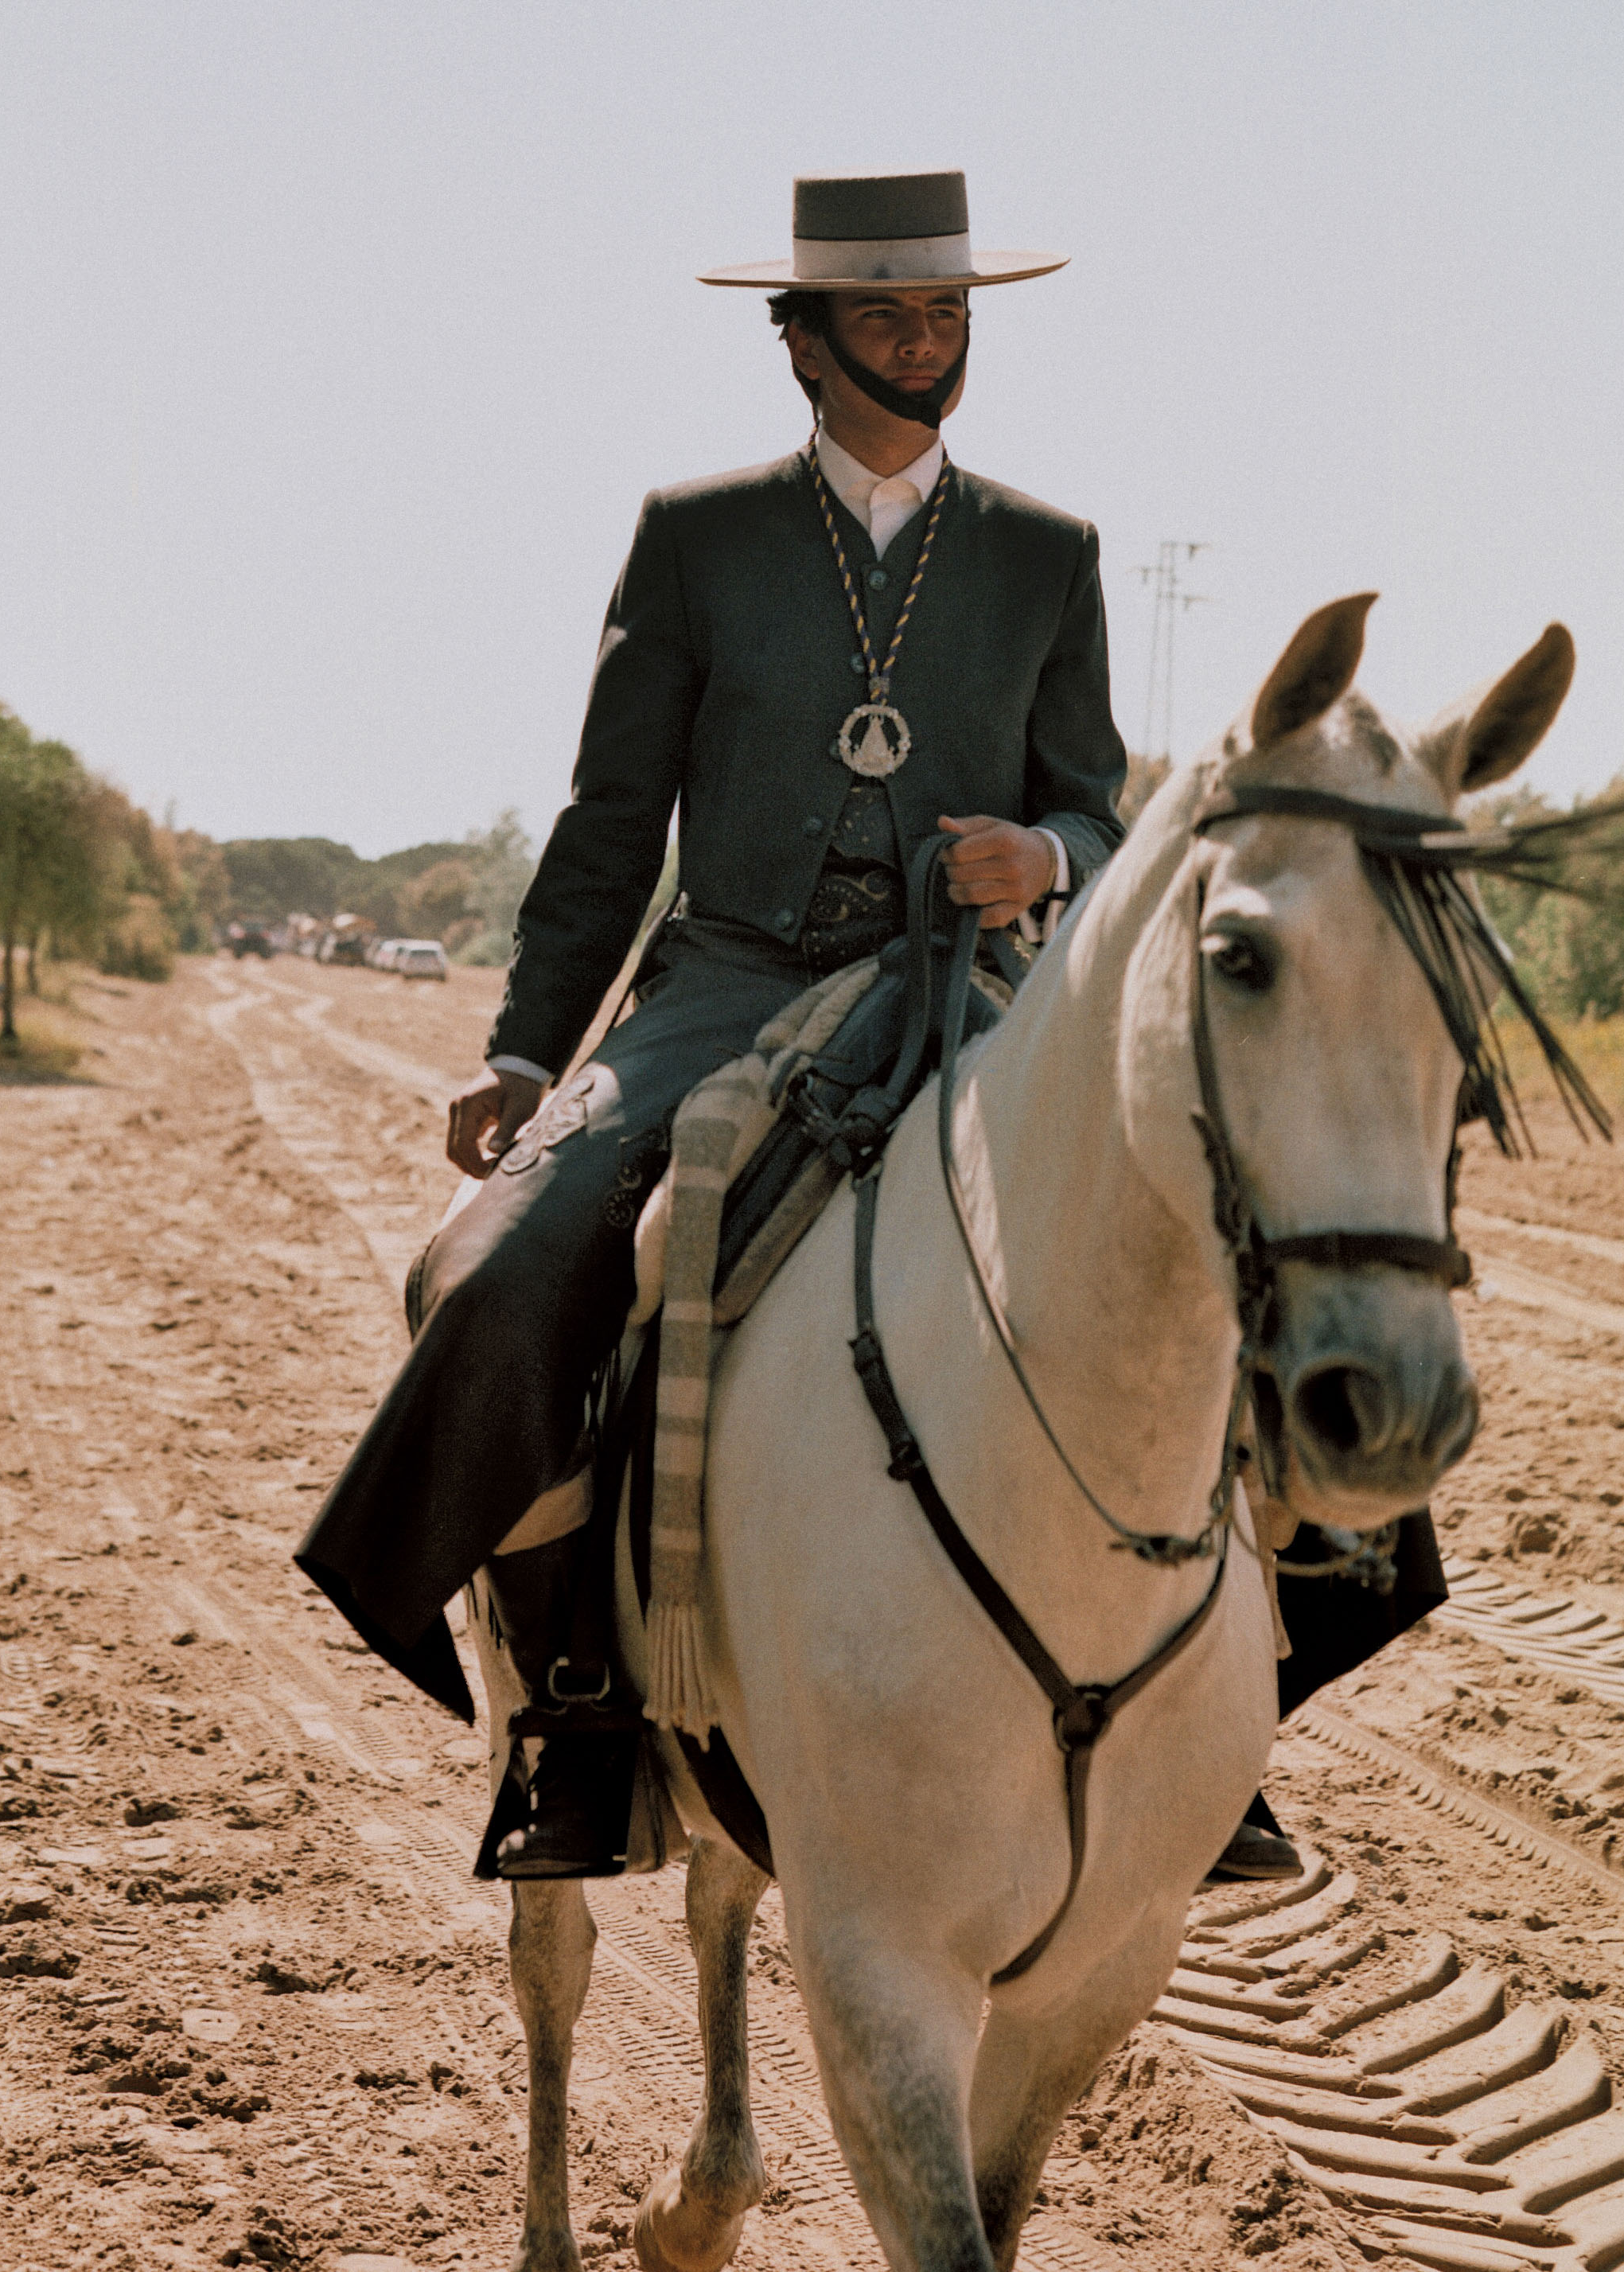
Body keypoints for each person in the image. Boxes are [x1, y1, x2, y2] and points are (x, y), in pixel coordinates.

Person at [296, 170, 1129, 1875]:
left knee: (1212, 1236)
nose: (928, 340)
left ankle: (1236, 1703)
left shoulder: (1054, 553)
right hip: (728, 980)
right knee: (499, 1270)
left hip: (958, 994)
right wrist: (529, 1052)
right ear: (804, 343)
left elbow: (1101, 812)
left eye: (949, 313)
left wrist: (1040, 854)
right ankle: (579, 1716)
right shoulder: (697, 536)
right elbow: (612, 825)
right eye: (889, 315)